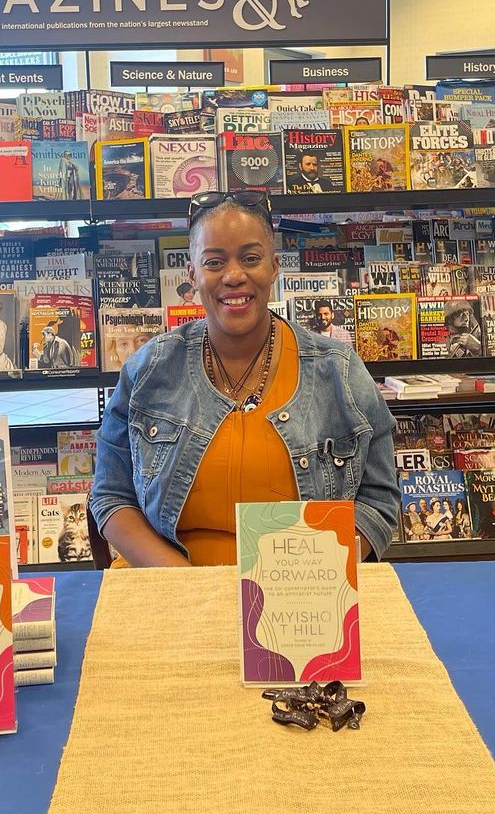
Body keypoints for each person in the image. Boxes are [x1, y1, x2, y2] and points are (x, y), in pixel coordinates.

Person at [92, 190, 399, 567]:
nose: (234, 276)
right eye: (214, 262)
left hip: (296, 587)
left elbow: (378, 501)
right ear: (192, 274)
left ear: (274, 266)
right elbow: (111, 494)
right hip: (168, 583)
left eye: (251, 258)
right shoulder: (149, 368)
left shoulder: (340, 370)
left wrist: (315, 573)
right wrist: (182, 581)